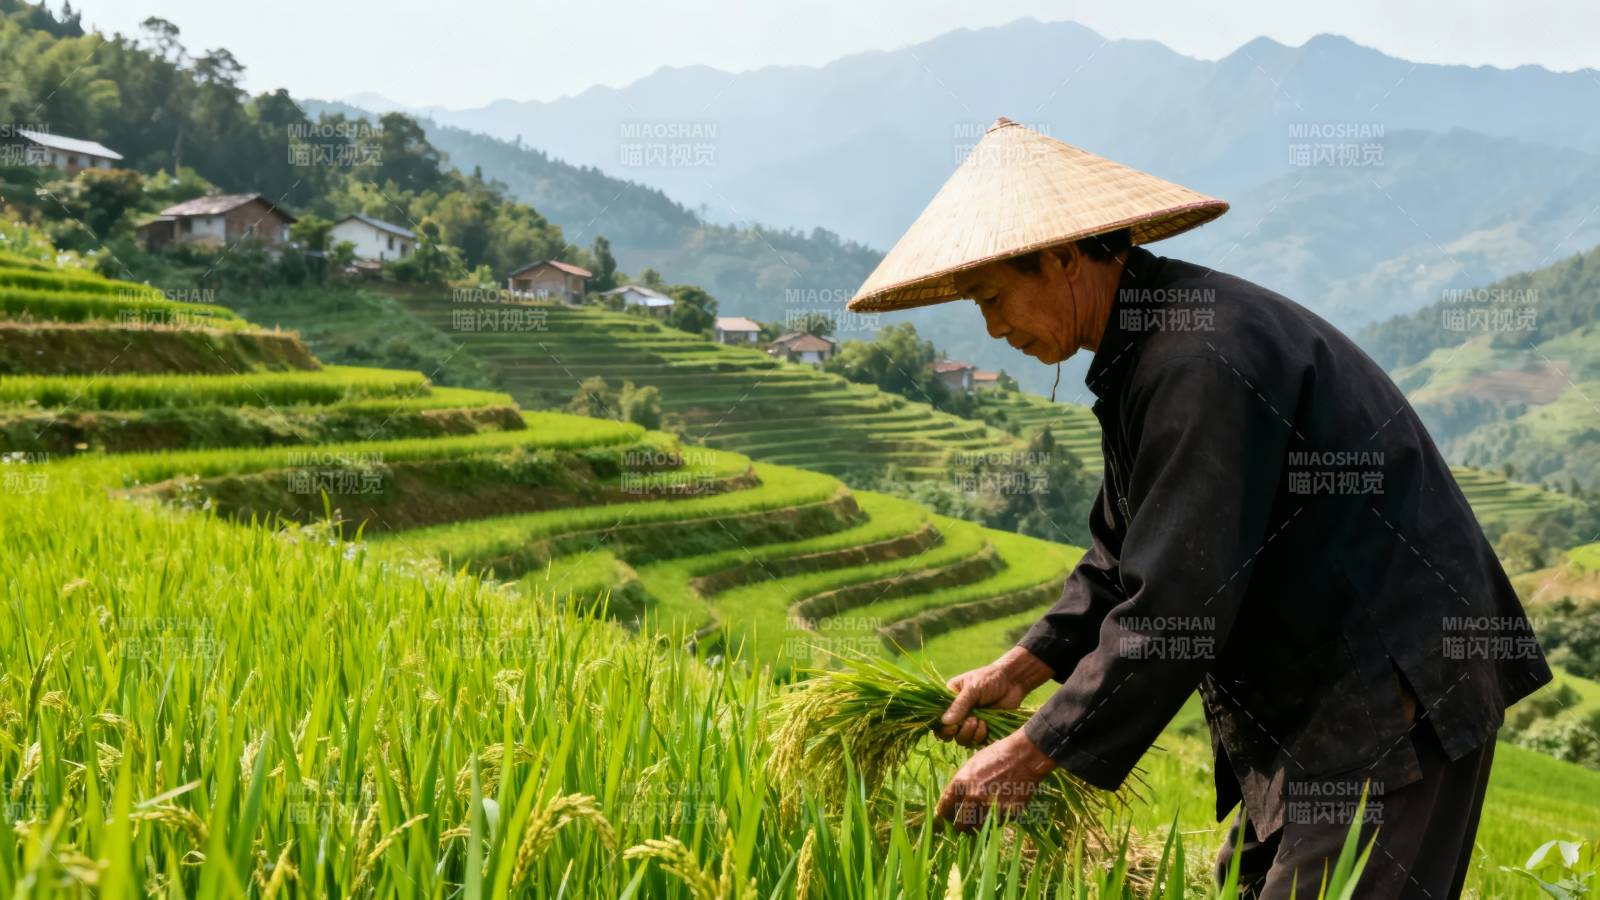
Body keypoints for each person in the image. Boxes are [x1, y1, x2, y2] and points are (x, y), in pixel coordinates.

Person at [845, 118, 1550, 899]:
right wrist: (1024, 666)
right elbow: (1124, 555)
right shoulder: (1146, 349)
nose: (993, 326)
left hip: (1388, 691)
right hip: (1318, 697)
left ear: (1060, 258)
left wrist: (1032, 752)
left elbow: (1177, 601)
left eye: (994, 296)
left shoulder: (1193, 360)